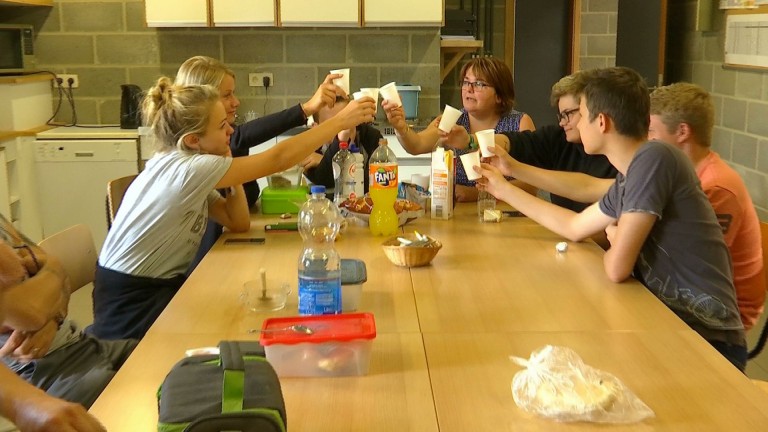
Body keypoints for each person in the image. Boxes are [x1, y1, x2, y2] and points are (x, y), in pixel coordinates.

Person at [477, 67, 747, 371]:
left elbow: (617, 267)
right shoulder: (629, 176)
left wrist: (617, 238)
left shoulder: (654, 158)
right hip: (666, 323)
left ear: (601, 121)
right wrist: (502, 186)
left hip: (708, 340)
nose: (572, 123)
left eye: (581, 114)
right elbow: (573, 226)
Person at [91, 78, 374, 341]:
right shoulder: (188, 169)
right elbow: (278, 157)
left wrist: (231, 169)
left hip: (146, 288)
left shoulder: (186, 166)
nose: (231, 131)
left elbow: (236, 221)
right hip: (131, 301)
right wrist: (340, 121)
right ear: (192, 140)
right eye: (222, 126)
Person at [174, 56, 340, 271]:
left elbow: (239, 222)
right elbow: (275, 157)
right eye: (227, 95)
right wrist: (320, 114)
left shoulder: (222, 147)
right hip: (204, 263)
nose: (236, 102)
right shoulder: (195, 161)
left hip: (224, 250)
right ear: (202, 101)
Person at [649, 82, 765, 331]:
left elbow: (689, 260)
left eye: (652, 132)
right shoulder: (684, 175)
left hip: (721, 314)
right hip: (689, 293)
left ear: (682, 132)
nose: (648, 141)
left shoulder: (717, 186)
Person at [440, 73, 618, 213]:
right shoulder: (558, 138)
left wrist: (507, 178)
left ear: (601, 118)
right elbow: (516, 141)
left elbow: (582, 202)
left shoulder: (625, 165)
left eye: (569, 114)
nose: (563, 122)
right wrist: (472, 142)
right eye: (560, 115)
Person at [0, 223, 111, 432]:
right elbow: (29, 311)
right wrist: (55, 272)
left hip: (79, 342)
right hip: (37, 369)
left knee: (158, 358)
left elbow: (58, 277)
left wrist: (54, 318)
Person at [383, 56, 535, 202]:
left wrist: (476, 193)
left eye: (479, 84)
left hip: (507, 216)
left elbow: (531, 186)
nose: (469, 89)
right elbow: (416, 145)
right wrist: (401, 127)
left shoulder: (520, 123)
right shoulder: (452, 119)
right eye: (466, 82)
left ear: (499, 95)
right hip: (460, 216)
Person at [301, 94, 383, 190]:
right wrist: (340, 142)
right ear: (316, 128)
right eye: (333, 124)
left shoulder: (370, 137)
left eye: (348, 120)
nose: (344, 128)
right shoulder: (310, 147)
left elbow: (375, 182)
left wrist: (325, 161)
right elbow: (325, 181)